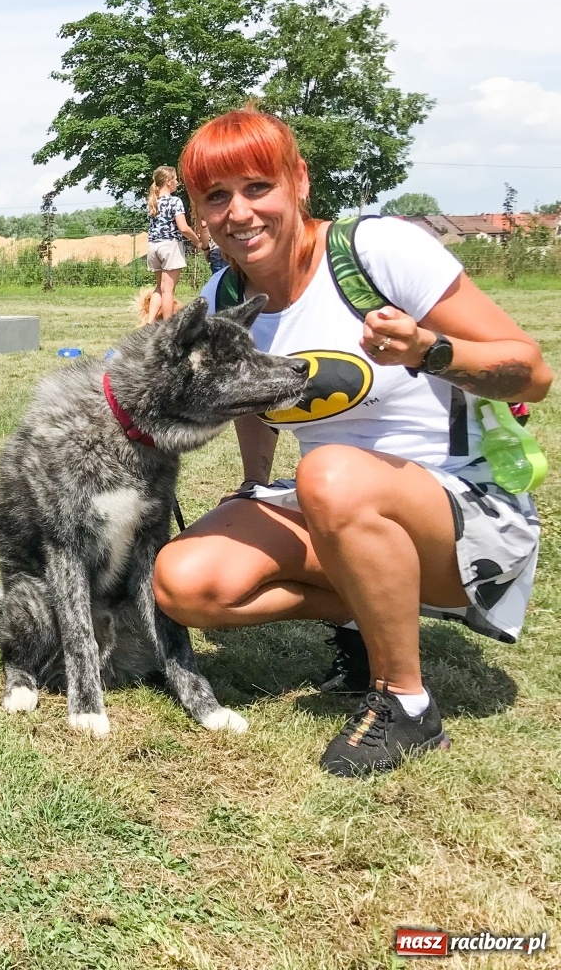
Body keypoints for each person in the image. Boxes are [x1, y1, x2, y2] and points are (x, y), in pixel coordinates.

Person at [151, 108, 551, 776]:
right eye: (215, 198)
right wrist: (255, 483)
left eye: (257, 187)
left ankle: (408, 704)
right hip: (335, 504)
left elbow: (532, 373)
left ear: (298, 181)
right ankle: (369, 613)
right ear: (196, 212)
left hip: (467, 515)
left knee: (333, 471)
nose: (239, 213)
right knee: (184, 583)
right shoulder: (225, 294)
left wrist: (429, 348)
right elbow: (250, 397)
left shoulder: (378, 250)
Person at [143, 166, 205, 323]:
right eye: (176, 179)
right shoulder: (175, 201)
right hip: (169, 246)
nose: (177, 182)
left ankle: (149, 324)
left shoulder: (152, 202)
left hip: (153, 246)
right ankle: (167, 327)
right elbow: (183, 228)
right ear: (169, 181)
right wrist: (196, 241)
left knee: (159, 287)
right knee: (168, 290)